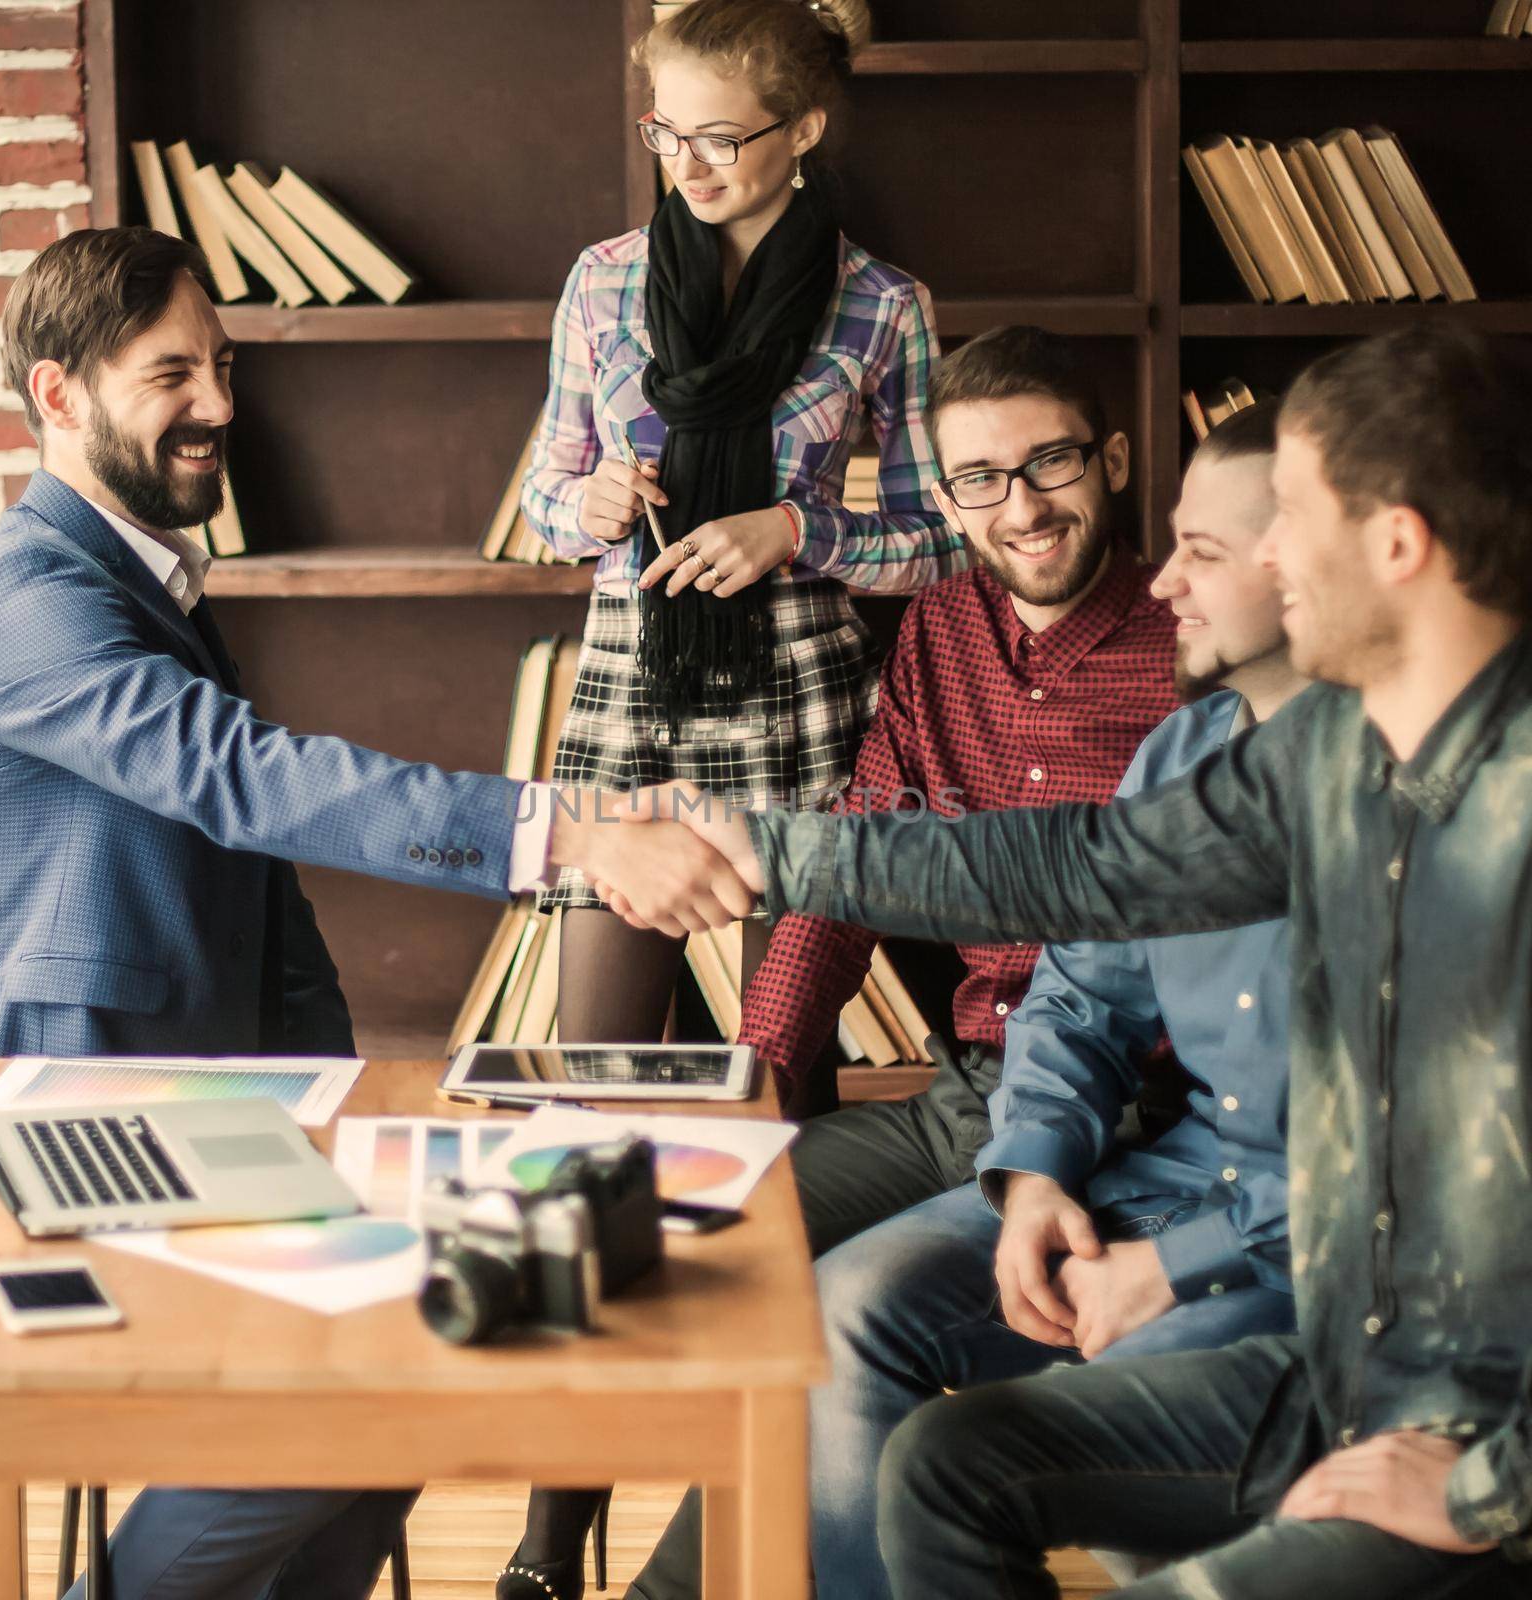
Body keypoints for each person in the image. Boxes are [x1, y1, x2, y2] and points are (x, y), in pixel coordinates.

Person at [0, 226, 750, 1600]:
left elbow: (250, 874)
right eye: (171, 374)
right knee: (370, 1380)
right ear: (59, 396)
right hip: (67, 1102)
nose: (219, 407)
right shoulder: (34, 599)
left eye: (224, 366)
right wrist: (574, 836)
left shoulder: (139, 578)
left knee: (414, 1360)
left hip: (208, 1086)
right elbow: (253, 785)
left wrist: (338, 1092)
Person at [666, 325, 1532, 1597]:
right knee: (913, 1423)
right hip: (1245, 1261)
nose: (1210, 569)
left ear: (1393, 546)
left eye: (1273, 520)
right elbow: (1072, 879)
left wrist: (1484, 1484)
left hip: (1423, 1384)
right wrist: (751, 857)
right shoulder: (1296, 759)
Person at [608, 322, 1181, 1600]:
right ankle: (576, 1562)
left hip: (1132, 1118)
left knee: (833, 1305)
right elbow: (861, 856)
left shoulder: (1197, 646)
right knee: (681, 1231)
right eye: (979, 477)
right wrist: (750, 1074)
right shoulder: (940, 629)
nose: (1020, 507)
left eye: (1052, 464)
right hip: (961, 1087)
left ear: (1118, 458)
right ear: (943, 488)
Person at [508, 0, 962, 1590]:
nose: (689, 163)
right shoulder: (603, 283)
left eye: (722, 135)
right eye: (668, 132)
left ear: (805, 131)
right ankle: (554, 1533)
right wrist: (596, 494)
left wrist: (797, 530)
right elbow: (550, 494)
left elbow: (941, 539)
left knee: (783, 1120)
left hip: (806, 733)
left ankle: (766, 1508)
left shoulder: (883, 309)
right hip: (632, 713)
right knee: (595, 1128)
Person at [799, 400, 1304, 1600]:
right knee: (841, 1306)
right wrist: (1029, 1174)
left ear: (1317, 561)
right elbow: (1081, 992)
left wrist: (1175, 1264)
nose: (1165, 581)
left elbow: (1419, 1148)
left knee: (1055, 1447)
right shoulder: (1183, 756)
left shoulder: (1423, 789)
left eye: (1205, 554)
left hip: (1310, 1242)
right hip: (1162, 1168)